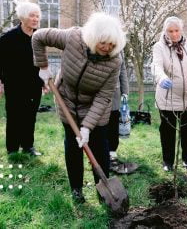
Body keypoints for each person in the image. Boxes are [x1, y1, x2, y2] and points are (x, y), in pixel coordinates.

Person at [32, 12, 126, 203]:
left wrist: (87, 127)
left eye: (112, 45)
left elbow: (103, 97)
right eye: (103, 43)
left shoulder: (114, 61)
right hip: (66, 99)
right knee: (72, 146)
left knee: (99, 147)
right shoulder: (74, 37)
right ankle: (76, 189)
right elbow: (38, 37)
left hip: (95, 107)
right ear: (93, 37)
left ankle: (103, 191)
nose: (107, 48)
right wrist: (42, 66)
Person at [151, 16, 187, 171]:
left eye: (176, 30)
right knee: (167, 132)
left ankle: (186, 159)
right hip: (167, 98)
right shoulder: (159, 47)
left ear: (181, 30)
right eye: (170, 31)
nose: (174, 34)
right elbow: (156, 66)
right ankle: (168, 162)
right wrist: (161, 78)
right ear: (165, 31)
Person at [0, 0, 43, 156]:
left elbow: (42, 60)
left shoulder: (39, 38)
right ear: (22, 17)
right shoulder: (8, 38)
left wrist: (45, 80)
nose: (36, 19)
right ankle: (12, 149)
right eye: (32, 16)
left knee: (30, 116)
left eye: (37, 16)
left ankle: (28, 146)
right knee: (14, 115)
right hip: (14, 84)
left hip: (34, 84)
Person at [107, 57, 129, 170]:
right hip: (96, 93)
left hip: (114, 94)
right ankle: (99, 156)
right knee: (99, 129)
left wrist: (125, 91)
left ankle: (112, 155)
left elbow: (123, 68)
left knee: (113, 128)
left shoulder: (119, 46)